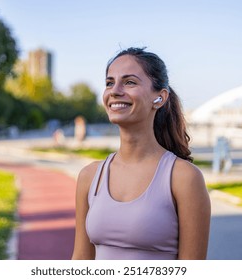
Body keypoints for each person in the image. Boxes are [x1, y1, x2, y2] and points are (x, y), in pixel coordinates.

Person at [72, 47, 211, 260]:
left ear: (159, 98)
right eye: (110, 83)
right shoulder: (89, 177)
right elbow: (80, 261)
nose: (115, 90)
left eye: (129, 82)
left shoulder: (184, 178)